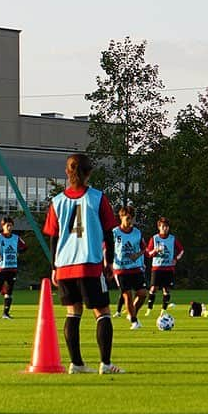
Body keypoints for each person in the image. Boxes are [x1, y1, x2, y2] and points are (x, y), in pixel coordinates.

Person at [42, 153, 123, 375]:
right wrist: (109, 263)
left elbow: (53, 238)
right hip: (89, 263)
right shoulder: (97, 198)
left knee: (72, 312)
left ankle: (76, 364)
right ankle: (105, 364)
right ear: (89, 173)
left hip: (65, 265)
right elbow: (108, 233)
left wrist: (54, 267)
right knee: (103, 312)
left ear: (67, 173)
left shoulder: (57, 202)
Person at [111, 205, 148, 330]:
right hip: (120, 269)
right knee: (127, 295)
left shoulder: (137, 232)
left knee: (142, 294)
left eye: (131, 218)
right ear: (121, 218)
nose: (129, 221)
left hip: (136, 268)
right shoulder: (115, 233)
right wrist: (108, 264)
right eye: (127, 218)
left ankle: (132, 312)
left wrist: (136, 256)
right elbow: (107, 248)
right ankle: (134, 321)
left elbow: (144, 248)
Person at [0, 216, 27, 319]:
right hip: (1, 268)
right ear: (3, 226)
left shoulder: (16, 238)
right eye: (7, 225)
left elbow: (25, 247)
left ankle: (5, 313)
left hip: (12, 268)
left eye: (11, 225)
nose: (9, 227)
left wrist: (19, 252)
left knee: (9, 291)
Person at [144, 217, 184, 316]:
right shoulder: (154, 238)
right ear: (159, 227)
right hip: (157, 267)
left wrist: (176, 259)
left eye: (166, 226)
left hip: (168, 267)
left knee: (166, 289)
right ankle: (149, 309)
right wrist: (155, 251)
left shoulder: (172, 238)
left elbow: (181, 250)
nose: (164, 228)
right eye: (162, 226)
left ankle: (163, 309)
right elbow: (148, 253)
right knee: (153, 288)